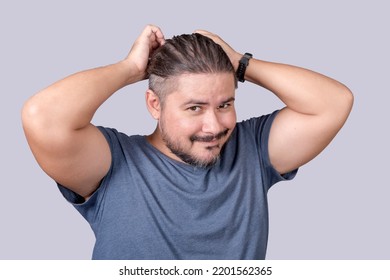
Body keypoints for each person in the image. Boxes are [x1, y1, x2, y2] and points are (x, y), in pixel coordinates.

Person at [22, 24, 353, 259]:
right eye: (195, 108)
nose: (214, 125)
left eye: (225, 104)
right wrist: (129, 68)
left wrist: (240, 64)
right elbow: (43, 118)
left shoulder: (252, 150)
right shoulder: (113, 163)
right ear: (155, 104)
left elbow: (333, 103)